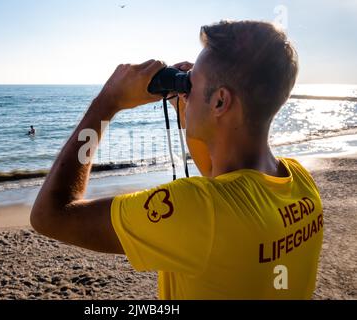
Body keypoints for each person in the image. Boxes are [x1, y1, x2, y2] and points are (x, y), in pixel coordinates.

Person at [30, 21, 324, 300]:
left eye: (190, 84)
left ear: (220, 101)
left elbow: (50, 216)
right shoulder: (300, 182)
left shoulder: (198, 209)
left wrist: (106, 103)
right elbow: (219, 177)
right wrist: (190, 103)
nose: (185, 90)